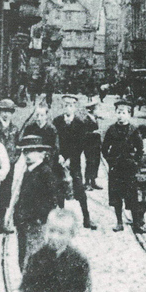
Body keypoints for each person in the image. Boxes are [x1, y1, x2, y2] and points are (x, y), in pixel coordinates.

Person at [18, 209, 92, 292]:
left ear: (71, 234)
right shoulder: (37, 257)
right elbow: (28, 283)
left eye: (61, 233)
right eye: (51, 231)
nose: (54, 237)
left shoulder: (78, 260)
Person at [13, 135, 64, 271]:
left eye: (32, 151)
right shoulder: (29, 171)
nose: (28, 155)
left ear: (42, 153)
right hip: (24, 224)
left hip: (36, 225)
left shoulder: (45, 172)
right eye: (25, 151)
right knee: (23, 256)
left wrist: (39, 218)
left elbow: (53, 200)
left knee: (34, 258)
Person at [53, 95, 97, 230]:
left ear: (75, 107)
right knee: (59, 189)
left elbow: (81, 144)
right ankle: (60, 218)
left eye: (71, 105)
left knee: (79, 190)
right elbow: (54, 141)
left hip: (74, 161)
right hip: (59, 161)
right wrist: (59, 155)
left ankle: (87, 218)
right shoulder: (57, 121)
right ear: (62, 107)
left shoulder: (80, 123)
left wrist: (70, 158)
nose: (68, 108)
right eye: (66, 105)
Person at [101, 98, 143, 232]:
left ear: (129, 114)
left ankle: (136, 224)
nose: (120, 115)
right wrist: (110, 161)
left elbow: (140, 149)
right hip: (116, 168)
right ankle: (119, 222)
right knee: (116, 196)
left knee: (133, 197)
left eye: (124, 112)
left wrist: (135, 163)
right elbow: (104, 148)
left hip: (129, 168)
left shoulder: (134, 130)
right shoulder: (111, 130)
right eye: (118, 112)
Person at [0, 99, 21, 234]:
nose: (6, 114)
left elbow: (18, 147)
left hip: (9, 166)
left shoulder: (15, 129)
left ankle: (1, 223)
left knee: (6, 194)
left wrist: (12, 161)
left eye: (9, 112)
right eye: (3, 111)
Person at [82, 100, 103, 190]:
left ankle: (93, 181)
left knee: (96, 163)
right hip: (89, 146)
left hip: (96, 145)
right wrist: (95, 133)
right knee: (90, 162)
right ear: (92, 110)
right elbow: (84, 134)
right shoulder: (86, 120)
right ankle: (87, 182)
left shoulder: (95, 119)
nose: (99, 111)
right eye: (97, 109)